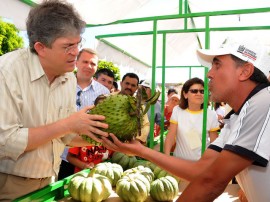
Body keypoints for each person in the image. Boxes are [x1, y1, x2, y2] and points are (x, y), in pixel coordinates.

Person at [101, 39, 270, 201]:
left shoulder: (263, 103)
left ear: (245, 71)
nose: (209, 74)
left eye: (217, 65)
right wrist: (140, 150)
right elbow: (202, 170)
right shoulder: (236, 118)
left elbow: (210, 182)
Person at [0, 1, 110, 200]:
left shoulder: (68, 78)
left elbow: (64, 136)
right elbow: (5, 141)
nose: (76, 52)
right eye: (68, 46)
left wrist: (100, 137)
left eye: (78, 44)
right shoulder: (7, 72)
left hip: (52, 179)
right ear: (41, 47)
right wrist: (68, 124)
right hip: (10, 184)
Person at [58, 48, 110, 180]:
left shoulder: (104, 92)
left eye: (93, 64)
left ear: (97, 67)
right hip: (58, 153)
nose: (88, 66)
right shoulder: (61, 84)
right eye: (85, 62)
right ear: (77, 62)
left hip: (86, 159)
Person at [164, 77, 219, 160]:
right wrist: (167, 158)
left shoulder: (211, 114)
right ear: (185, 94)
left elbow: (214, 143)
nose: (199, 94)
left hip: (201, 165)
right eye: (194, 91)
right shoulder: (177, 111)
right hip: (179, 163)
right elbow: (171, 136)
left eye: (202, 91)